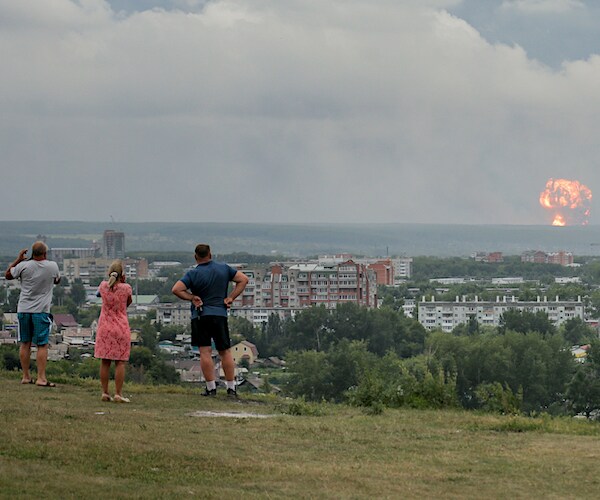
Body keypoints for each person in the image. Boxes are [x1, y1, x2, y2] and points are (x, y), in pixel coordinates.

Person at [172, 244, 248, 397]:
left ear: (196, 257)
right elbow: (243, 279)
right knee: (225, 351)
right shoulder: (224, 269)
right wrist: (231, 297)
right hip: (220, 314)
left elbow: (176, 289)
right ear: (210, 254)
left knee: (205, 351)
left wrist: (192, 297)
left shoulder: (193, 274)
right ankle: (231, 388)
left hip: (200, 315)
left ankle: (211, 388)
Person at [5, 241, 61, 387]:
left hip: (23, 309)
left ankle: (25, 376)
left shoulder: (24, 266)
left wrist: (18, 259)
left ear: (32, 253)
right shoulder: (52, 266)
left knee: (25, 343)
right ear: (45, 253)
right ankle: (41, 378)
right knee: (42, 345)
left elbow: (8, 275)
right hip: (41, 311)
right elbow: (57, 280)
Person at [94, 260, 133, 403]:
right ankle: (118, 393)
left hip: (105, 326)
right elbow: (128, 303)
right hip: (121, 327)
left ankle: (105, 392)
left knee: (105, 361)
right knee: (120, 362)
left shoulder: (103, 286)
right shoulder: (126, 288)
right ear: (122, 275)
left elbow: (98, 295)